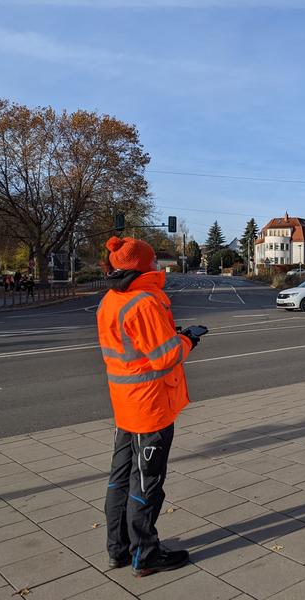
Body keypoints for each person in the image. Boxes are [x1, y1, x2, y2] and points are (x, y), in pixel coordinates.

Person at [97, 236, 204, 578]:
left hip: (125, 403)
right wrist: (187, 339)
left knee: (120, 479)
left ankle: (118, 548)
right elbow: (165, 355)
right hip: (150, 404)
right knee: (147, 482)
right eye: (152, 260)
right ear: (142, 265)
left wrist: (168, 334)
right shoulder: (143, 302)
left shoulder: (111, 300)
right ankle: (145, 553)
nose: (157, 265)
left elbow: (134, 350)